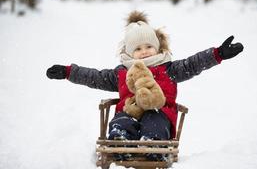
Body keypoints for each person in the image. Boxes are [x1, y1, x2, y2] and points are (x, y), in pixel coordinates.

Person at [46, 11, 244, 161]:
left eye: (149, 46)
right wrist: (68, 71)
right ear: (130, 53)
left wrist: (217, 54)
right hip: (129, 111)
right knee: (122, 118)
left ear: (158, 47)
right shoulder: (121, 72)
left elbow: (193, 64)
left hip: (160, 113)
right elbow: (95, 77)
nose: (145, 52)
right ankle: (120, 142)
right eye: (138, 49)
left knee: (154, 118)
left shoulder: (170, 69)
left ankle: (153, 145)